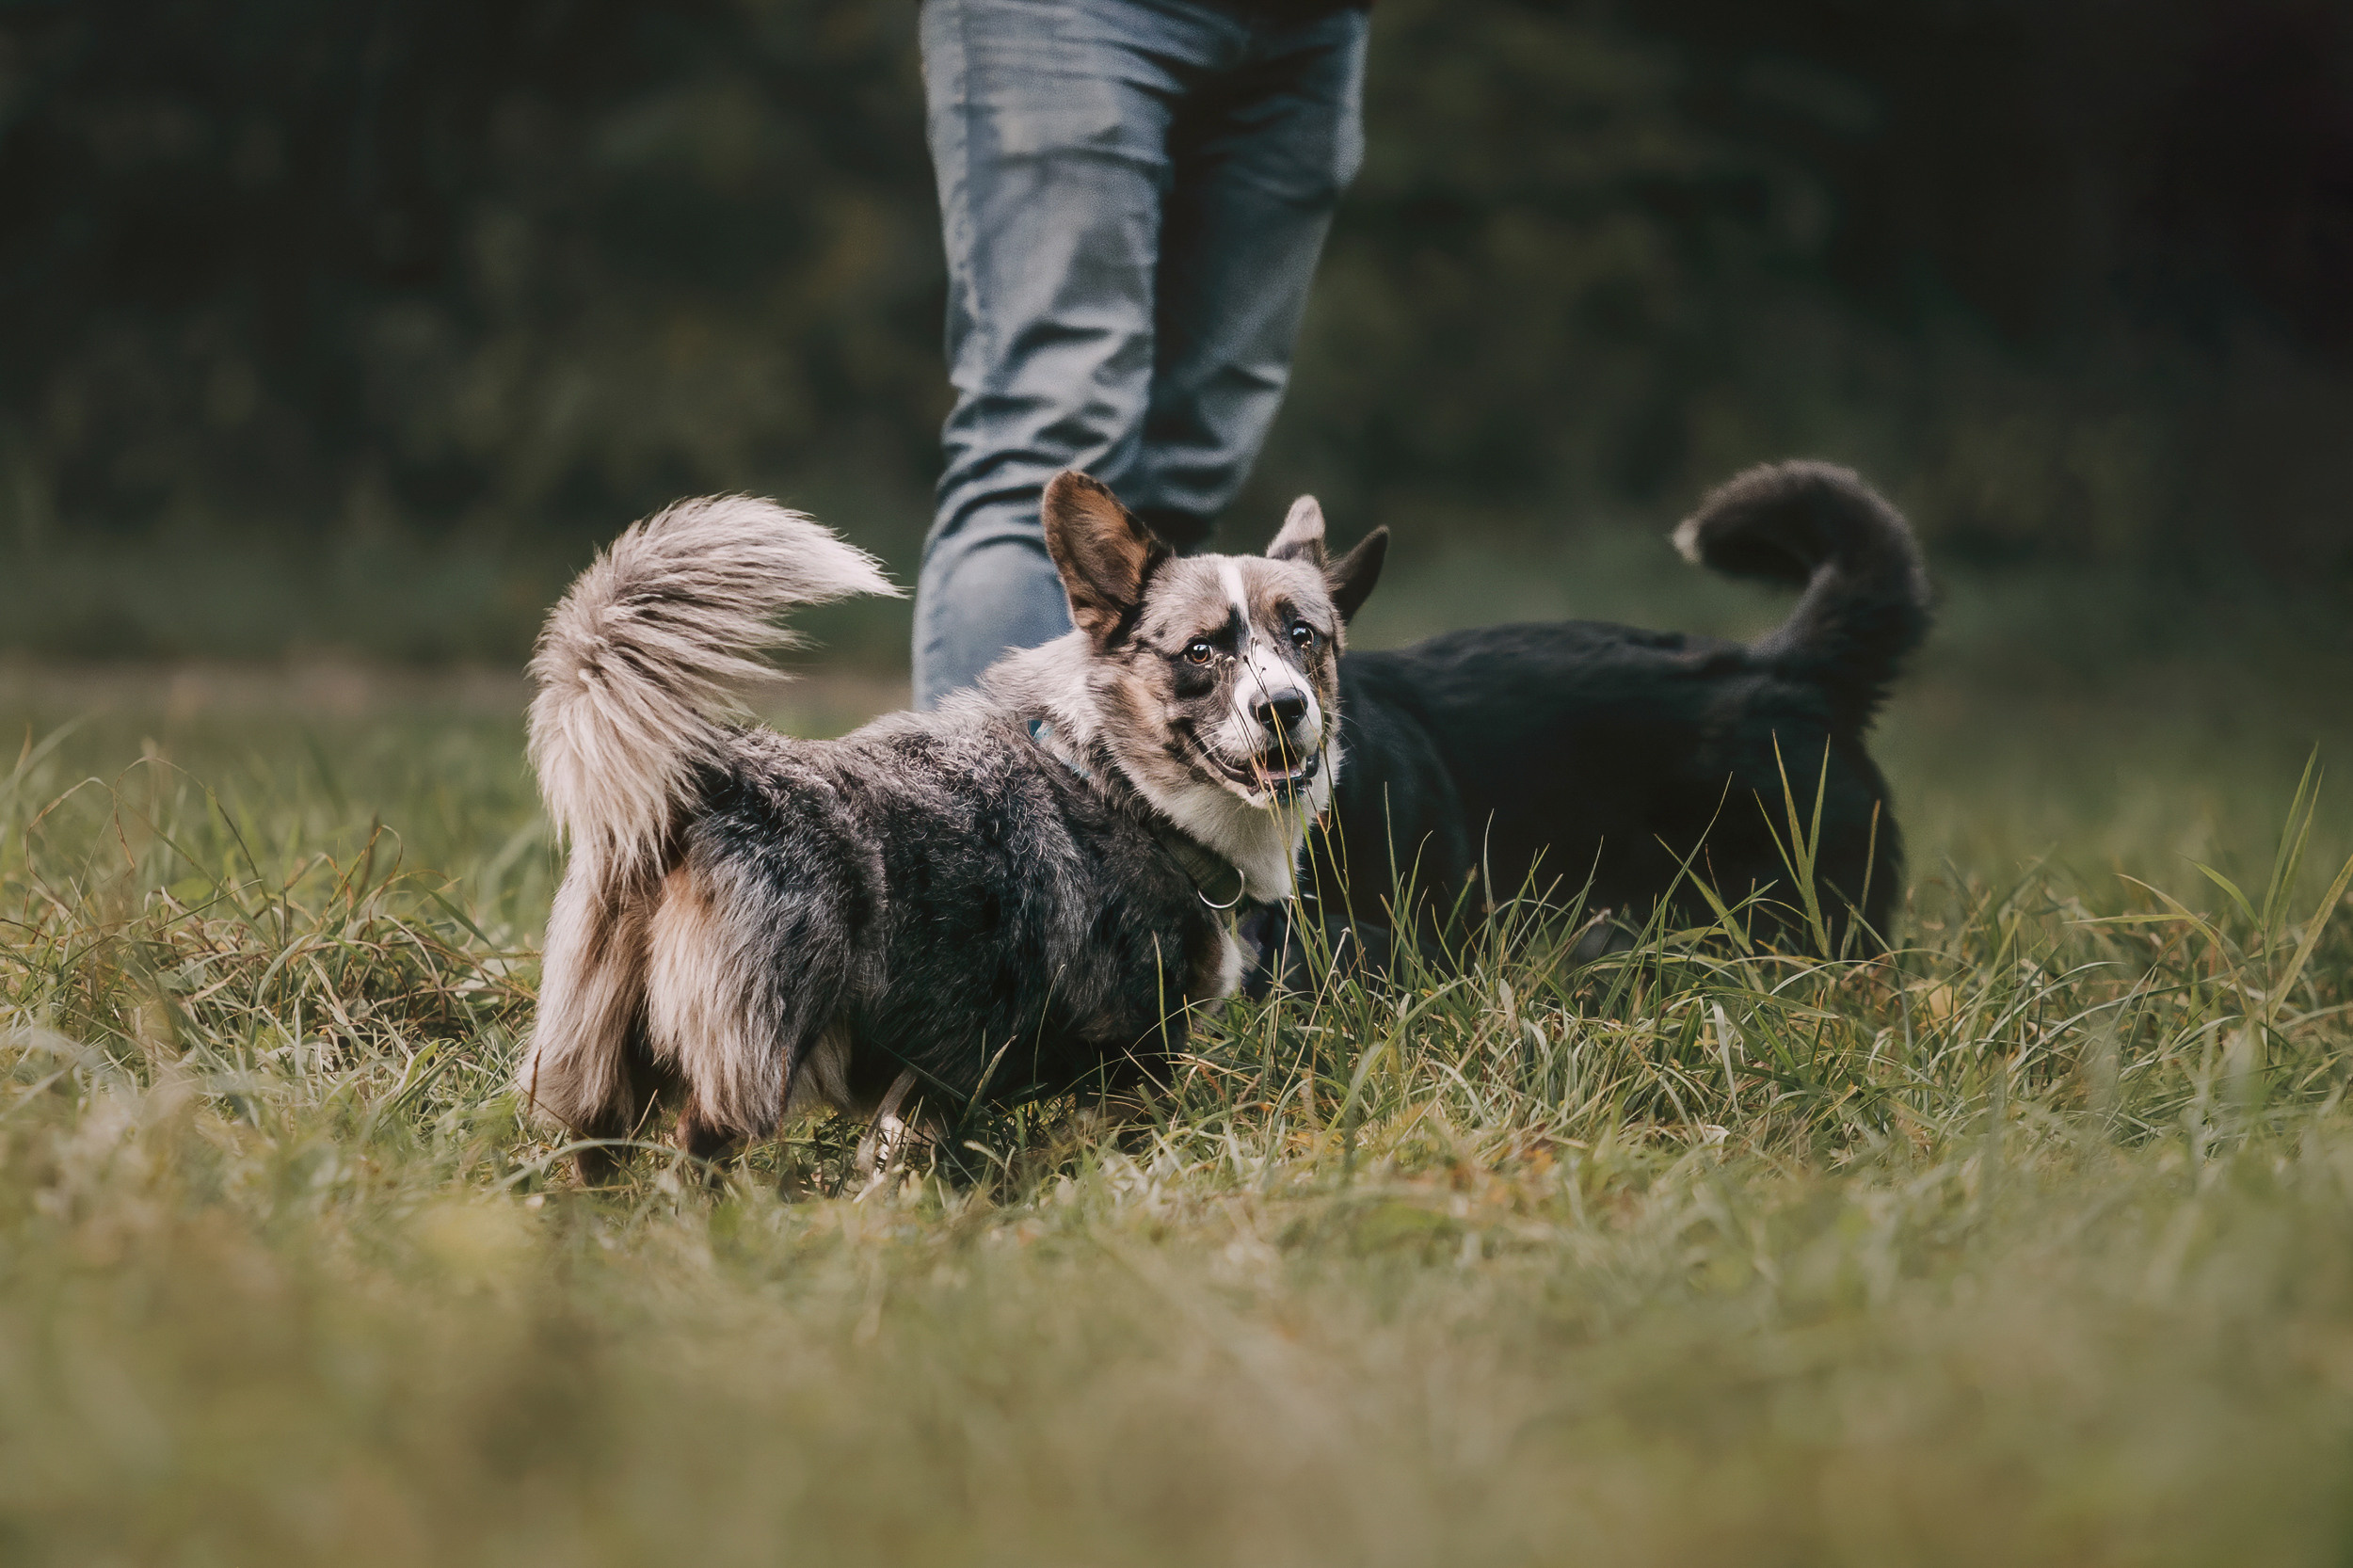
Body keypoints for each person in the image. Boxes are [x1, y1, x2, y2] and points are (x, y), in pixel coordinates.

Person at [912, 0, 1371, 708]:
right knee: (1048, 445)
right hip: (1073, 18)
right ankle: (975, 804)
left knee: (1192, 463)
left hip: (1309, 29)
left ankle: (1122, 810)